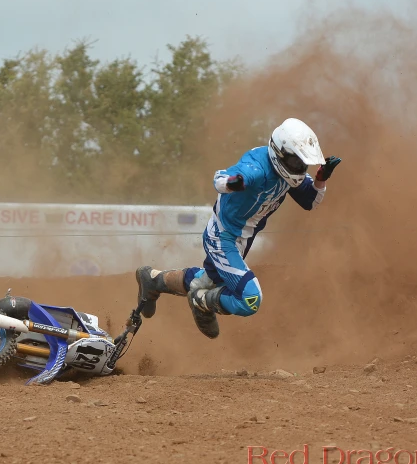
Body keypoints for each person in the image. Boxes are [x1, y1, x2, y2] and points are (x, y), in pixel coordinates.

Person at [135, 118, 341, 339]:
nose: (300, 169)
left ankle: (152, 280)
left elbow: (310, 202)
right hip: (223, 238)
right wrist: (234, 184)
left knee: (205, 281)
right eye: (296, 162)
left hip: (242, 238)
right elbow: (219, 179)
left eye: (303, 164)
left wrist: (321, 178)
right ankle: (200, 301)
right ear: (279, 153)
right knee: (250, 299)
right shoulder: (256, 168)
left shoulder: (290, 174)